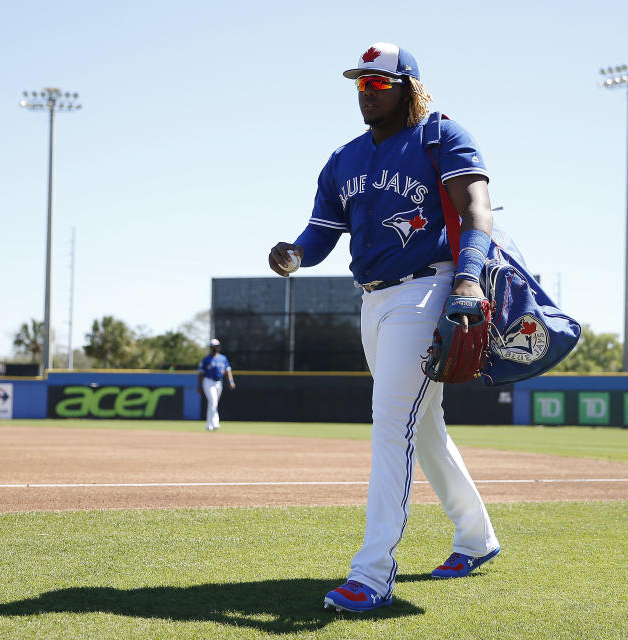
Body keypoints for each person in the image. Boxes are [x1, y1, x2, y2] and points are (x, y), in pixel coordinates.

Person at [268, 42, 500, 613]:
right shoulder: (344, 157)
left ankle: (371, 574)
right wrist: (295, 253)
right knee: (422, 427)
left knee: (390, 423)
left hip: (428, 289)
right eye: (360, 84)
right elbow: (322, 232)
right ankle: (477, 537)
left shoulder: (441, 136)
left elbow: (477, 212)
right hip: (373, 299)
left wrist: (467, 282)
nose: (365, 93)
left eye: (377, 84)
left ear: (407, 87)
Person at [198, 338, 235, 431]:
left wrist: (231, 381)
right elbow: (201, 374)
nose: (215, 348)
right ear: (210, 347)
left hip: (219, 382)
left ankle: (210, 424)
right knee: (213, 401)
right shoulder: (206, 359)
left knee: (213, 403)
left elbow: (228, 371)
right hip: (208, 381)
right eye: (213, 346)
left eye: (216, 346)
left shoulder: (223, 358)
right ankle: (214, 423)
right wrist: (199, 385)